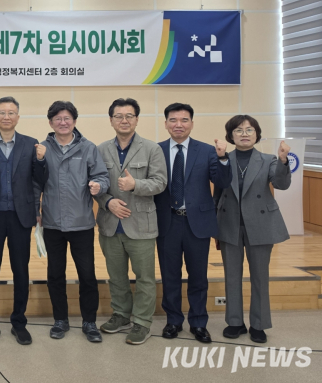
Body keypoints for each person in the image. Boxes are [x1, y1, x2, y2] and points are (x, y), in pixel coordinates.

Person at [0, 97, 47, 346]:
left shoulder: (31, 144)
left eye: (11, 112)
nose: (6, 116)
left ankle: (19, 322)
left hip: (20, 216)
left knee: (21, 271)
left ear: (18, 117)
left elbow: (39, 181)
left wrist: (41, 161)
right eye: (2, 112)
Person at [153, 103, 231, 343]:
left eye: (184, 120)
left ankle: (198, 322)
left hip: (197, 223)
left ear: (192, 124)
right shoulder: (155, 150)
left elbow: (222, 182)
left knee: (198, 276)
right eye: (173, 120)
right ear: (166, 123)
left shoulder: (207, 151)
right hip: (167, 221)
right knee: (170, 275)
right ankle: (173, 321)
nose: (179, 124)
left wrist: (223, 158)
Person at [35, 100, 109, 343]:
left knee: (87, 274)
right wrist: (35, 210)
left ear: (74, 121)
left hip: (82, 223)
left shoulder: (88, 148)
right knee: (55, 274)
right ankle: (60, 320)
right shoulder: (42, 148)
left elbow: (102, 176)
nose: (63, 122)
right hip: (52, 223)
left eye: (67, 118)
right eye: (58, 118)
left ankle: (89, 322)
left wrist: (99, 186)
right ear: (50, 123)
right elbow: (34, 182)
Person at [94, 98, 167, 345]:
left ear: (136, 119)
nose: (124, 120)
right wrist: (107, 202)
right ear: (111, 120)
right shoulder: (100, 150)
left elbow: (160, 182)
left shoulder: (152, 149)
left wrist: (136, 184)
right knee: (116, 276)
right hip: (110, 223)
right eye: (118, 116)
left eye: (129, 116)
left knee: (145, 277)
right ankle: (121, 314)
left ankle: (142, 322)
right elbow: (94, 184)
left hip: (141, 224)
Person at [215, 115, 291, 344]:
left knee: (260, 276)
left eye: (249, 130)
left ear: (257, 134)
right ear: (231, 135)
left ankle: (258, 324)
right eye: (238, 130)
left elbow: (281, 184)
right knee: (232, 276)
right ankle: (235, 322)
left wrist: (283, 160)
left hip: (260, 224)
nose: (244, 134)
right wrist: (214, 226)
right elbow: (217, 193)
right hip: (229, 224)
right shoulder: (222, 158)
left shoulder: (269, 160)